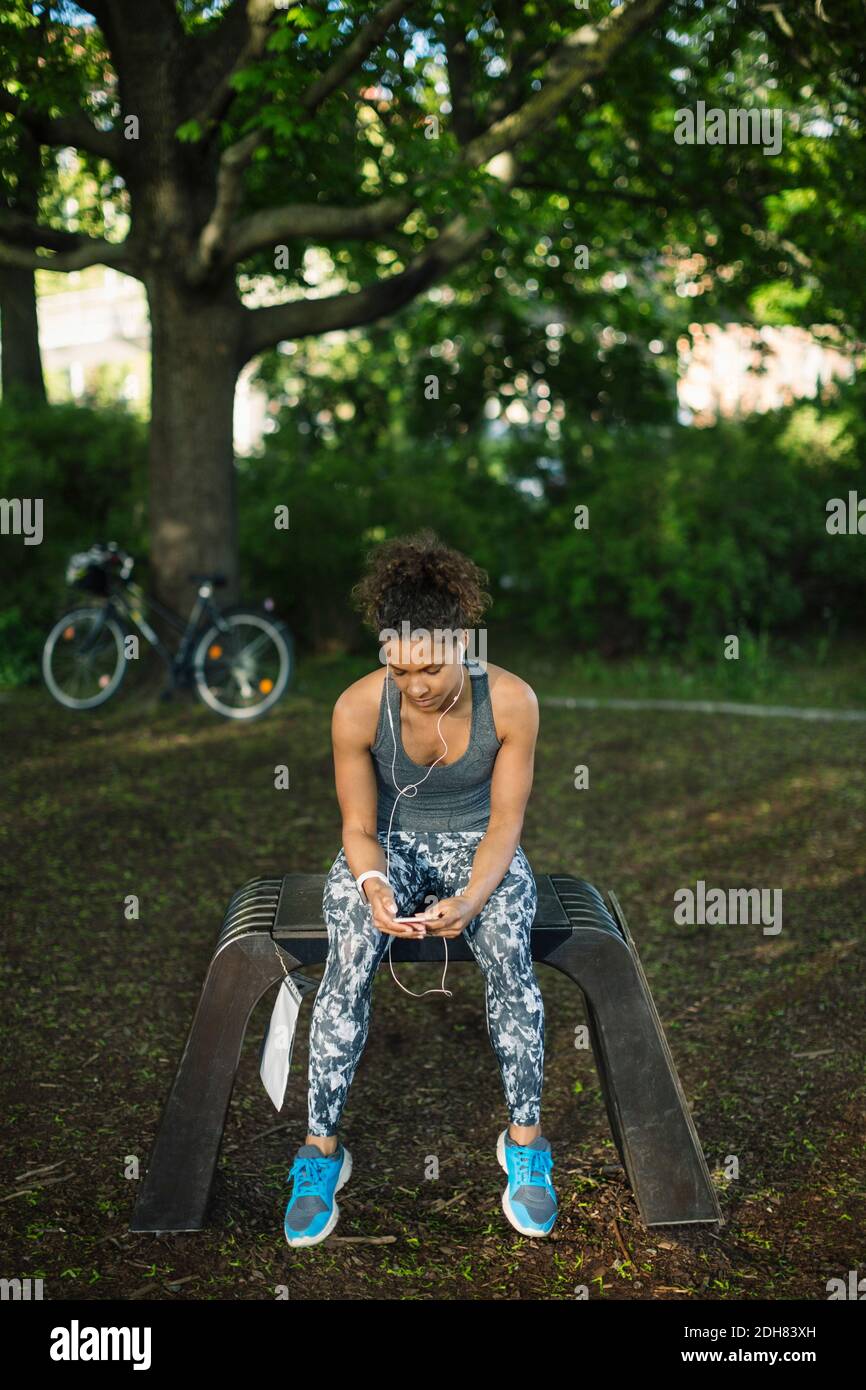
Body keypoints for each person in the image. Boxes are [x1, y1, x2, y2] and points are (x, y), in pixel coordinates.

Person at [284, 528, 556, 1246]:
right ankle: (320, 1154)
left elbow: (505, 825)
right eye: (400, 670)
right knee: (346, 952)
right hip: (390, 848)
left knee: (509, 952)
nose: (417, 685)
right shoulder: (353, 709)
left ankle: (525, 1145)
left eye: (431, 666)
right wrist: (374, 887)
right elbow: (357, 827)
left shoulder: (515, 702)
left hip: (482, 850)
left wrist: (470, 899)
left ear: (464, 642)